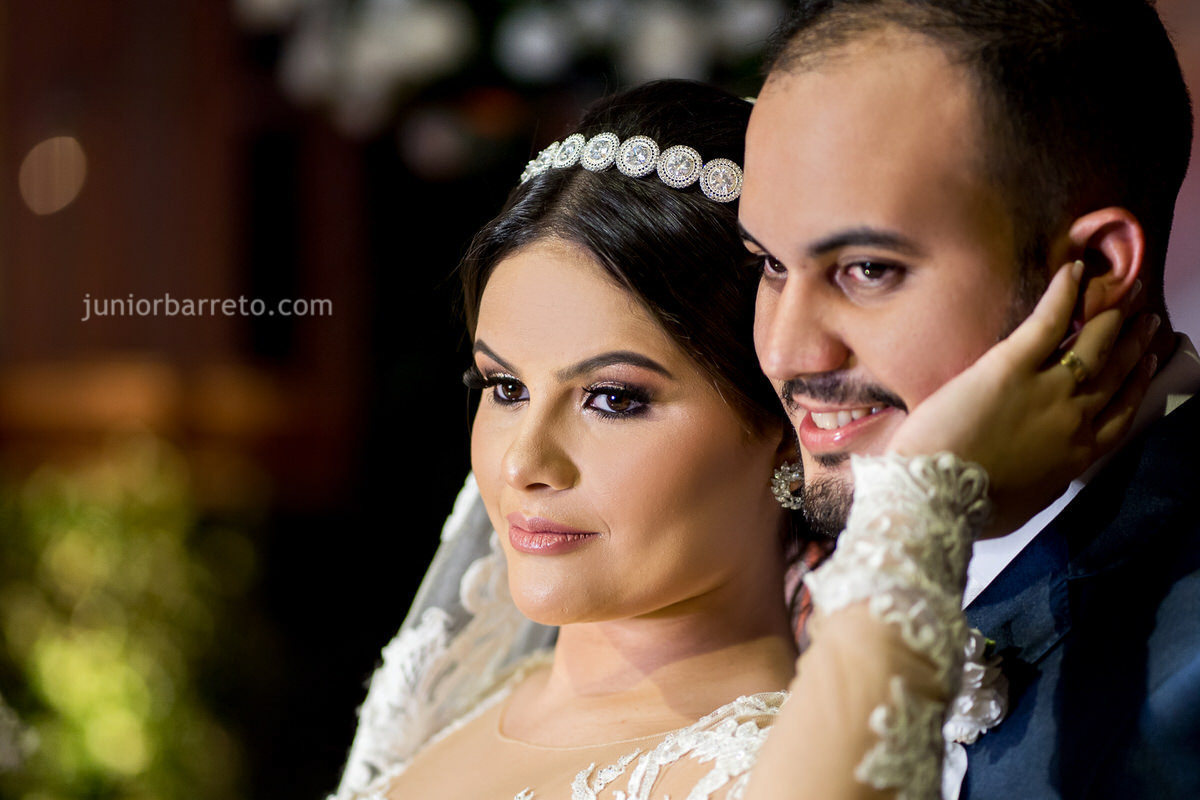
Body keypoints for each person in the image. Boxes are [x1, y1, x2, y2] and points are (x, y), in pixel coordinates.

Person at [329, 80, 1153, 800]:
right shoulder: (455, 695)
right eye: (505, 388)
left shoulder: (780, 768)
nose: (522, 463)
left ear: (789, 428)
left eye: (614, 399)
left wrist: (931, 492)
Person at [740, 1, 1200, 796]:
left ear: (1094, 269)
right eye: (770, 265)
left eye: (868, 270)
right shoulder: (760, 576)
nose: (786, 353)